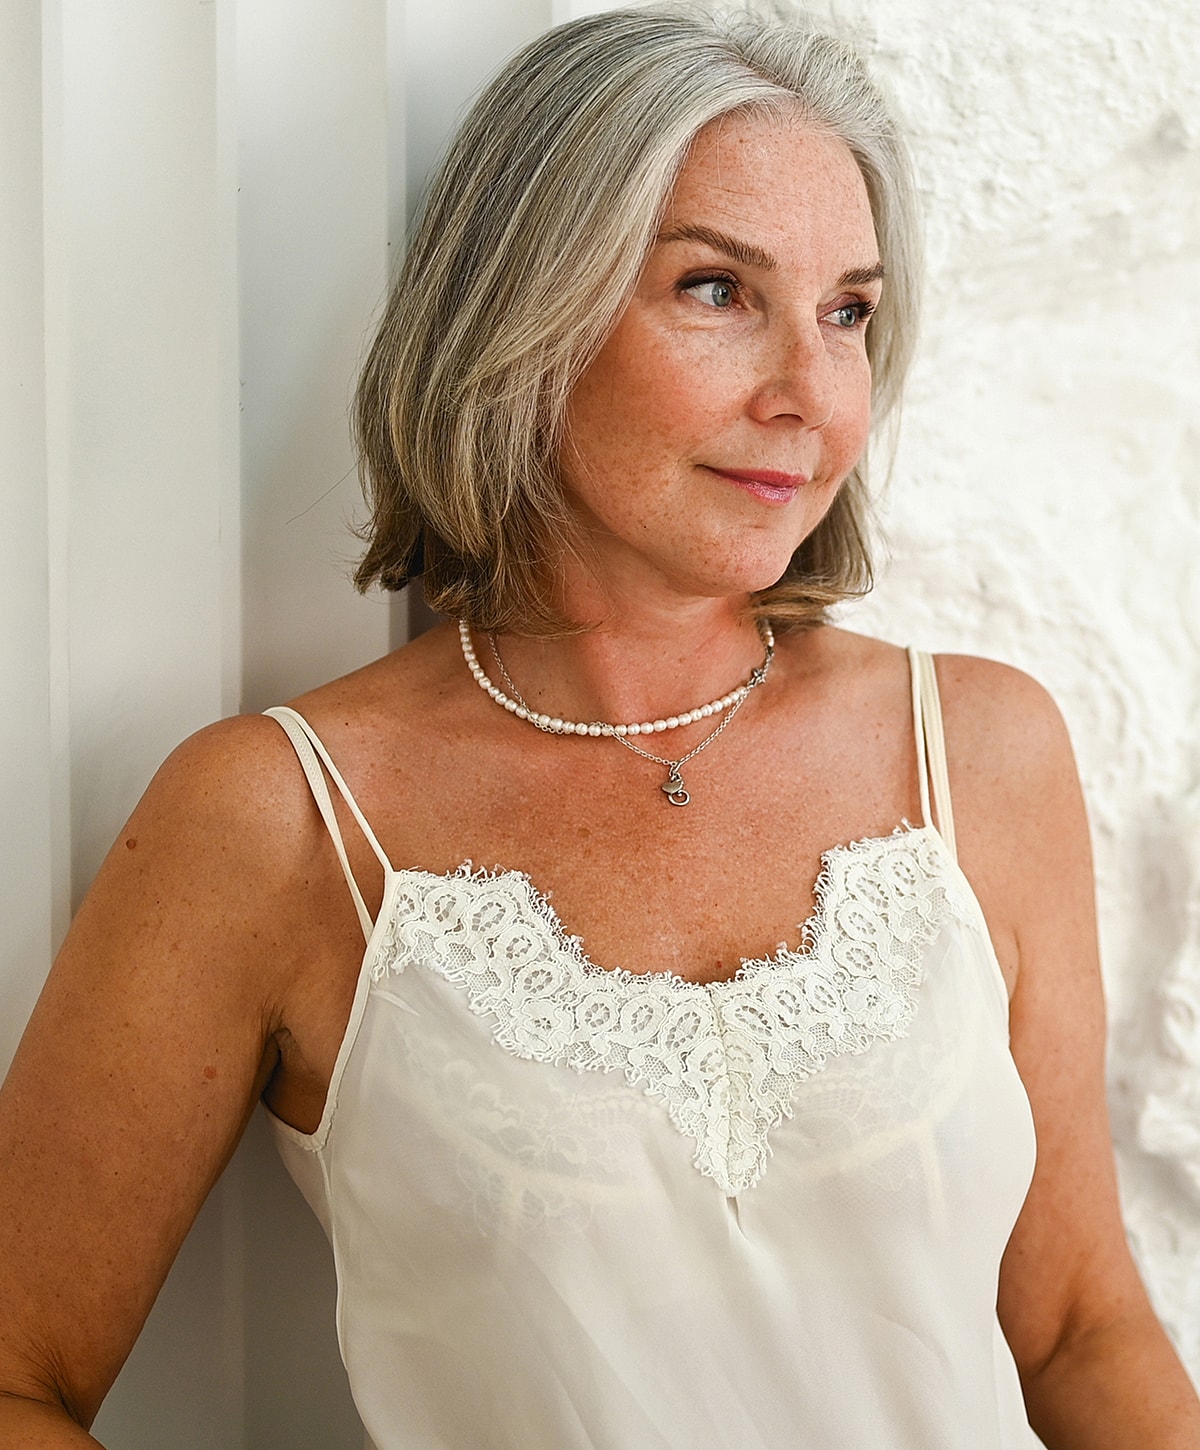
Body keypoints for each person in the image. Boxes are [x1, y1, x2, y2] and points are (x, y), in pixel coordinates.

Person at [1, 4, 1197, 1446]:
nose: (811, 396)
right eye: (715, 290)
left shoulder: (979, 752)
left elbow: (1079, 1326)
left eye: (850, 311)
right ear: (525, 309)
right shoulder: (280, 818)